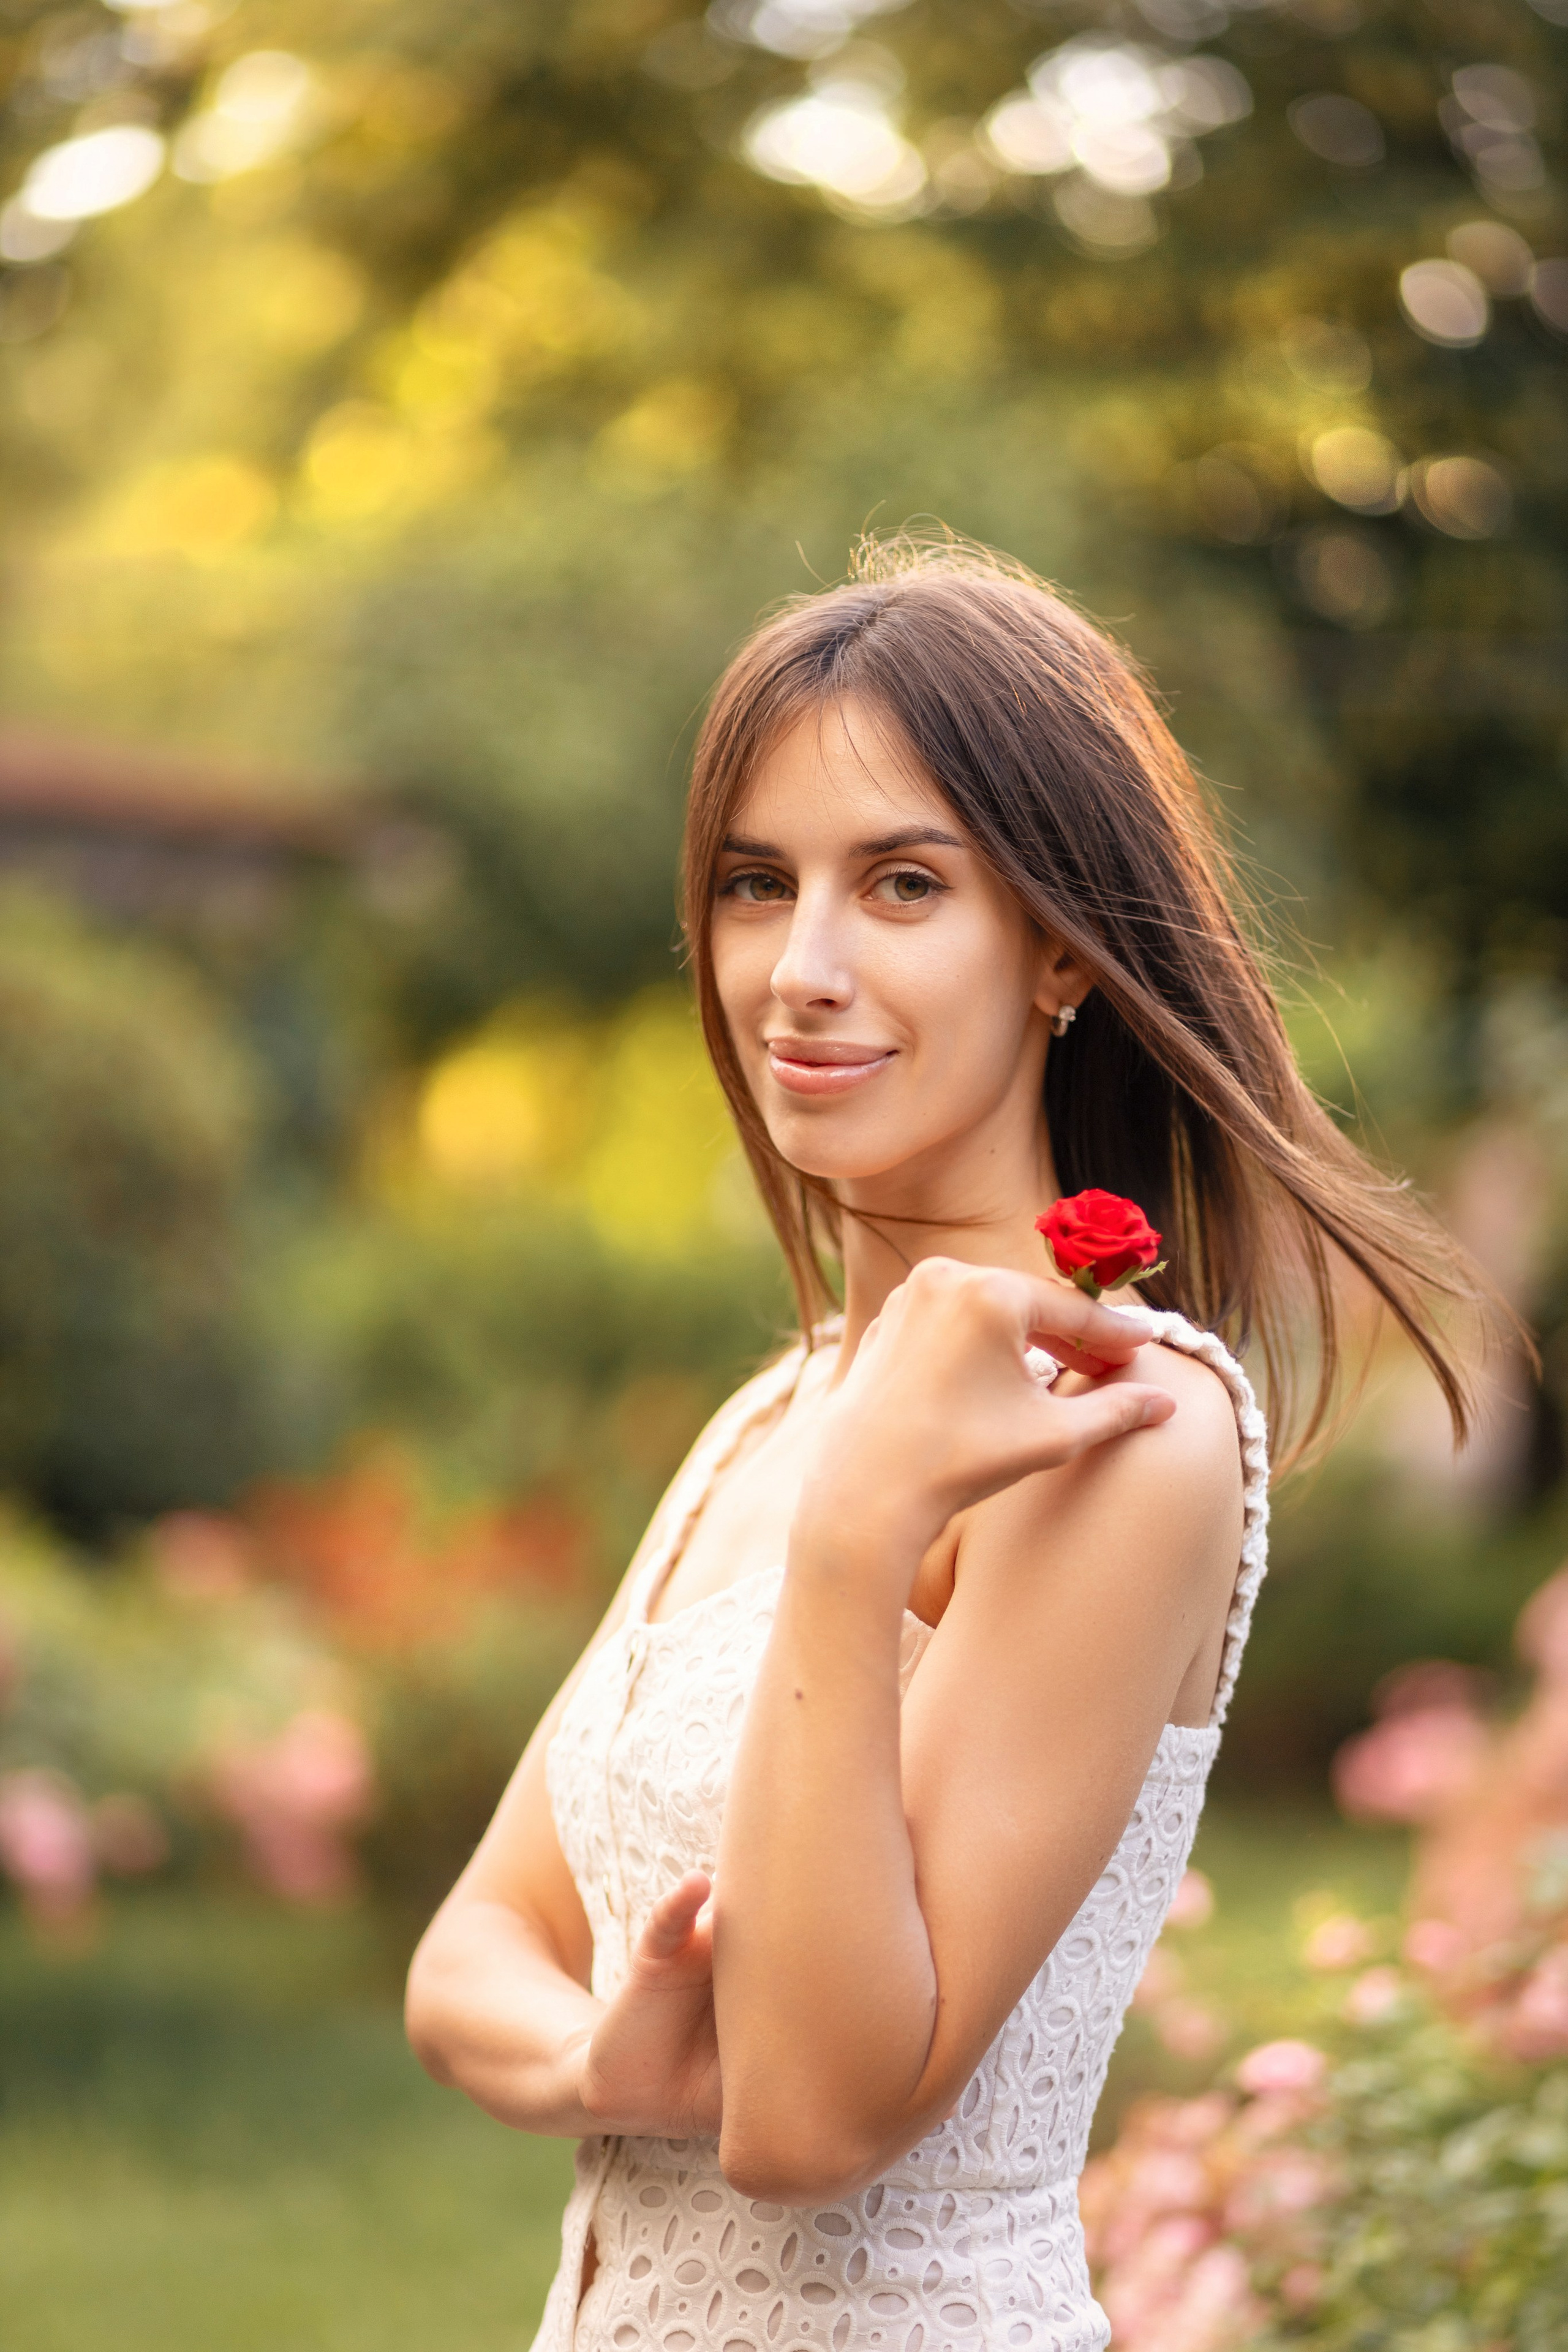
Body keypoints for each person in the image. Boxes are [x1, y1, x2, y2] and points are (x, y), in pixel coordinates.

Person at [405, 537, 1490, 2352]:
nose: (800, 969)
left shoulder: (1126, 1429)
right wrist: (606, 2056)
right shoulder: (770, 1412)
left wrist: (855, 1534)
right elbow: (463, 1961)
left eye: (903, 884)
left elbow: (820, 2120)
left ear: (1059, 945)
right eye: (759, 885)